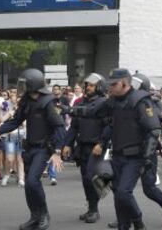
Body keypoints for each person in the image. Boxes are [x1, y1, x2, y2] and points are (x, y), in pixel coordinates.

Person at [0, 68, 65, 230]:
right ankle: (34, 216)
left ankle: (44, 214)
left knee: (32, 181)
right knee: (30, 185)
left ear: (33, 85)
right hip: (29, 148)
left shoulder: (48, 102)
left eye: (24, 84)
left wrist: (57, 151)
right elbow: (15, 121)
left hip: (43, 149)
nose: (21, 87)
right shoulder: (26, 101)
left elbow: (59, 127)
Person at [107, 73, 162, 229]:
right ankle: (126, 219)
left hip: (147, 153)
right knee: (119, 189)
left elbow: (158, 120)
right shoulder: (121, 102)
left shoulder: (150, 103)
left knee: (149, 189)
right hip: (125, 151)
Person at [62, 73, 109, 224]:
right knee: (85, 179)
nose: (87, 87)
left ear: (99, 86)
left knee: (91, 177)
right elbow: (74, 127)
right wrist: (67, 144)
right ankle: (91, 208)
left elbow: (108, 126)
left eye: (91, 85)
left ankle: (94, 210)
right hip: (82, 146)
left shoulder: (104, 103)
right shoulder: (79, 102)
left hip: (96, 147)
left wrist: (101, 143)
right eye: (87, 84)